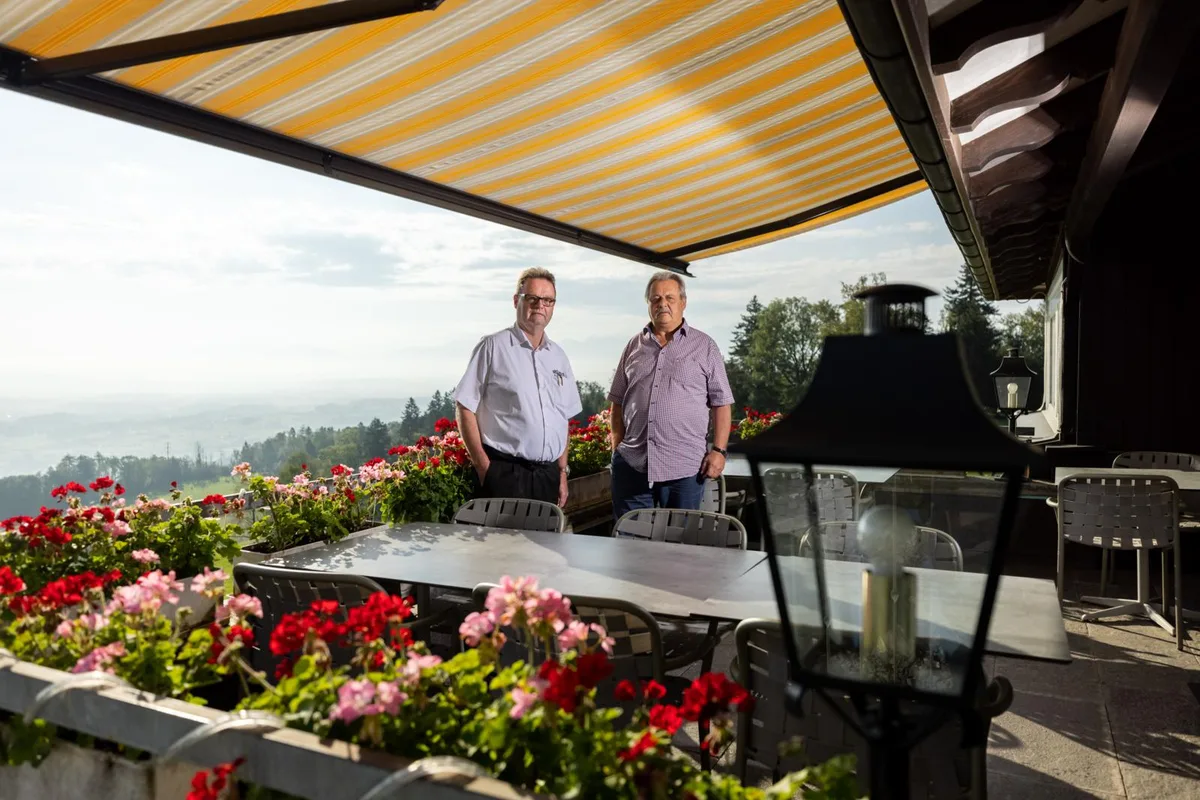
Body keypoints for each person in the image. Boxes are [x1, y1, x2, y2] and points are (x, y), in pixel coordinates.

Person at [607, 271, 734, 518]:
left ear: (683, 302)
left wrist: (718, 451)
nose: (662, 304)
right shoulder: (633, 346)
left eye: (669, 298)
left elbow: (722, 403)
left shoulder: (705, 346)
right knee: (629, 546)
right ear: (648, 305)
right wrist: (617, 447)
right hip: (633, 466)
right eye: (655, 299)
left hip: (685, 468)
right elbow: (618, 402)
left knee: (679, 549)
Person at [454, 267, 582, 507]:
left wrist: (562, 472)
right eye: (532, 298)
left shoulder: (559, 356)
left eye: (547, 300)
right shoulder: (493, 347)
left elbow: (563, 416)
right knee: (503, 546)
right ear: (516, 301)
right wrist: (484, 467)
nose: (539, 305)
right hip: (504, 475)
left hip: (548, 477)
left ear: (553, 306)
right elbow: (464, 405)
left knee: (544, 544)